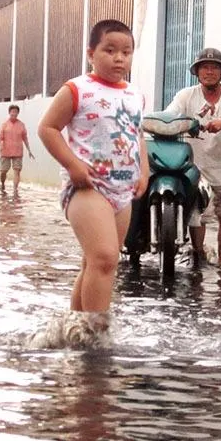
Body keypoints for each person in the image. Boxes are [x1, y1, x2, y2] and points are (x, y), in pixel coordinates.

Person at [37, 19, 148, 318]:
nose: (119, 58)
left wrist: (144, 171)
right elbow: (47, 128)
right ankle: (97, 334)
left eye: (126, 51)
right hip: (86, 187)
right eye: (109, 50)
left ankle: (77, 328)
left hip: (122, 191)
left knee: (94, 263)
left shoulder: (135, 95)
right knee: (104, 258)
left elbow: (136, 134)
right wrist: (73, 166)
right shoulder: (77, 89)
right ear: (91, 53)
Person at [165, 48, 221, 267]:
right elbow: (170, 115)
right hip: (197, 168)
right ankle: (198, 253)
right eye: (204, 67)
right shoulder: (186, 96)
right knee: (197, 215)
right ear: (197, 72)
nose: (209, 71)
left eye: (214, 67)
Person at [0, 104, 35, 194]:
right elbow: (0, 138)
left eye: (16, 112)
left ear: (18, 113)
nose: (14, 114)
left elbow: (25, 138)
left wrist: (29, 150)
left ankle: (15, 190)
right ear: (9, 113)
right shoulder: (4, 124)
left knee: (17, 170)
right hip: (5, 151)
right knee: (3, 171)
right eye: (12, 112)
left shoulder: (21, 125)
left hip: (18, 151)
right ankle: (2, 184)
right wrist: (0, 146)